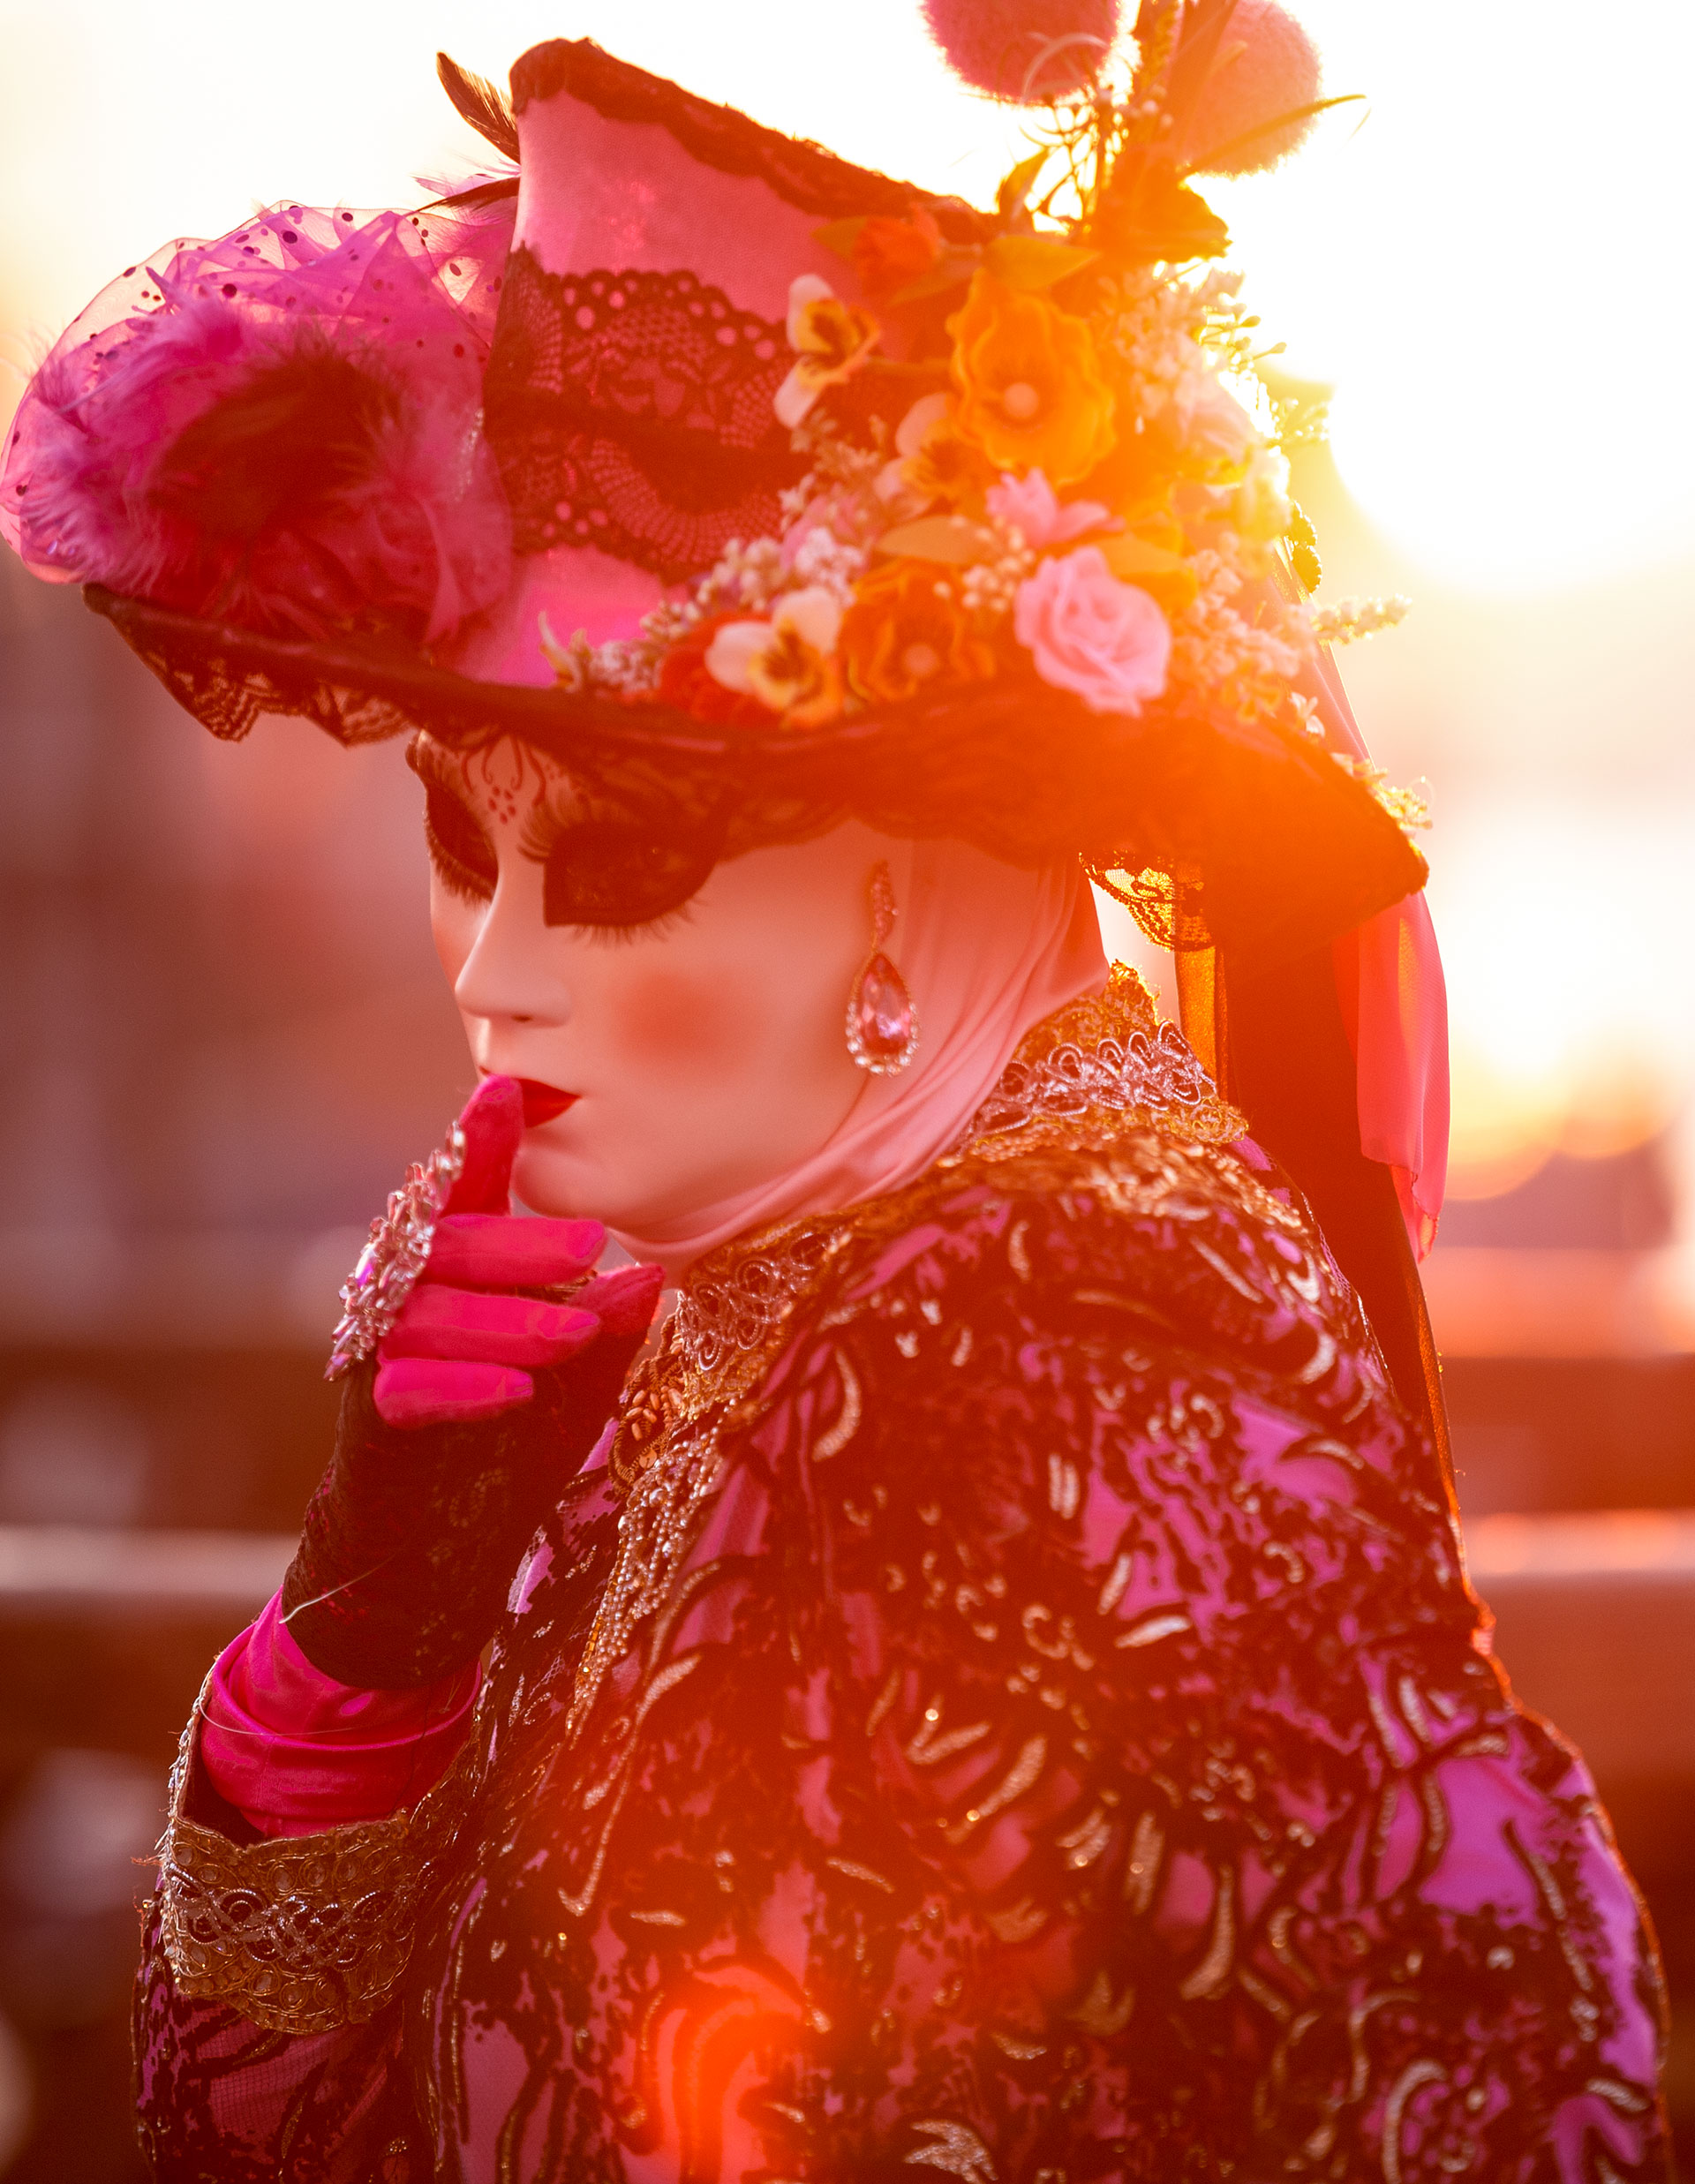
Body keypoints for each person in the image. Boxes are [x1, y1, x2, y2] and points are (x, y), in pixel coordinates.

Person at [1, 10, 1669, 2179]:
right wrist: (366, 1651)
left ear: (915, 899)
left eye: (614, 858)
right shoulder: (674, 1274)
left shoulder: (1104, 1359)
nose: (494, 974)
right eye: (457, 839)